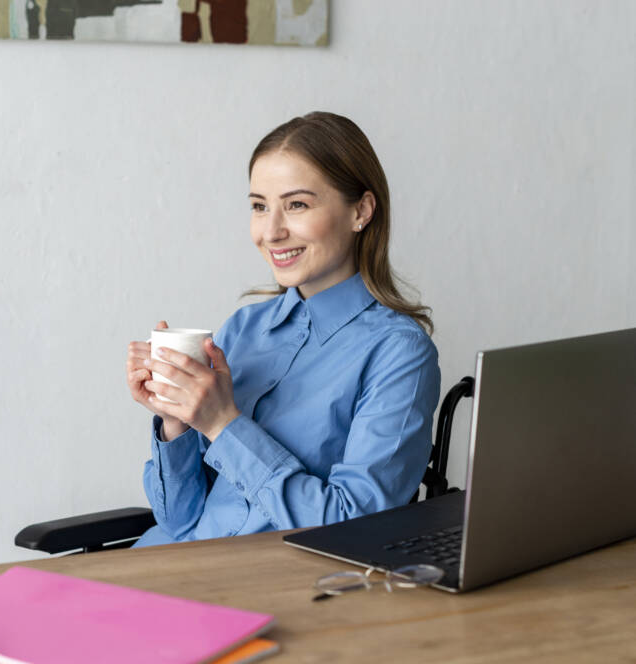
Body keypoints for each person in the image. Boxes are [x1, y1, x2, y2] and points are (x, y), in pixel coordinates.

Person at [125, 112, 440, 547]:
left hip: (269, 586)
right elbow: (178, 521)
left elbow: (357, 524)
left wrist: (222, 423)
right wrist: (175, 420)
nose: (271, 232)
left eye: (297, 205)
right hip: (170, 558)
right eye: (259, 206)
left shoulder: (399, 353)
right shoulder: (242, 329)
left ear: (361, 211)